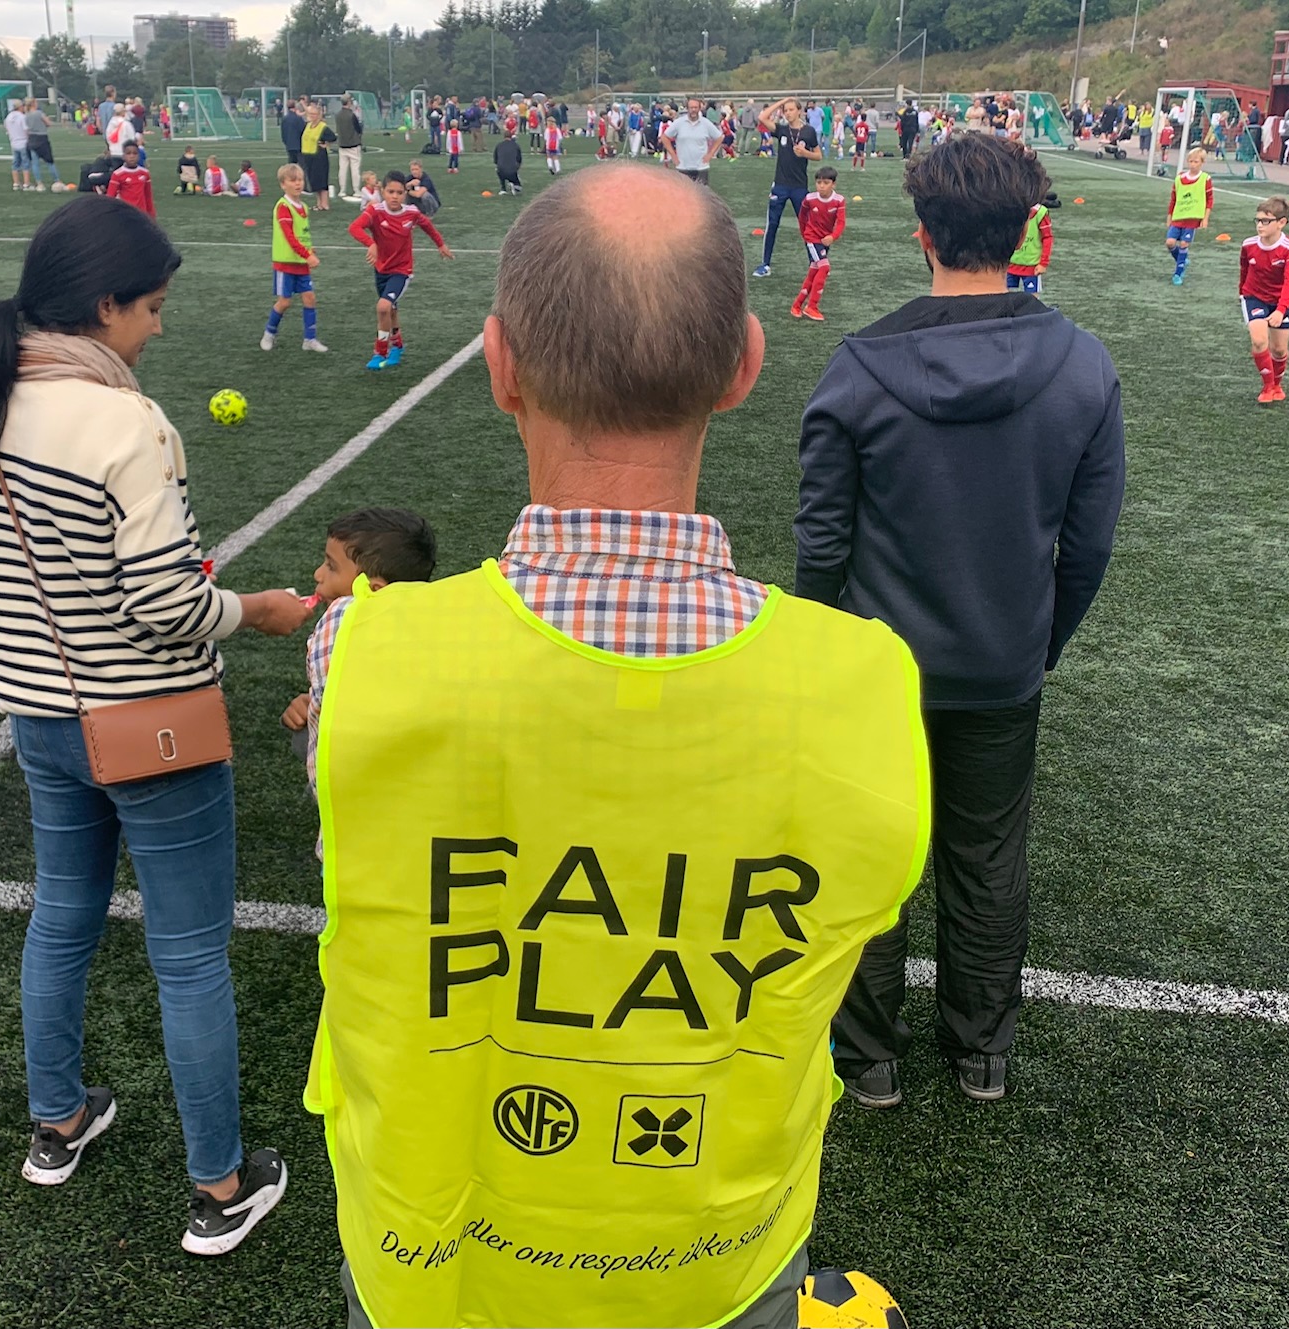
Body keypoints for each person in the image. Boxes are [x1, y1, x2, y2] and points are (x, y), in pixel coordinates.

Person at [307, 161, 928, 1329]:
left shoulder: (357, 649)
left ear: (498, 367)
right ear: (744, 366)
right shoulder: (865, 682)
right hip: (716, 1264)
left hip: (431, 1258)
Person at [0, 195, 308, 1247]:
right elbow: (165, 605)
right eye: (150, 307)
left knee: (62, 917)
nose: (157, 326)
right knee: (189, 956)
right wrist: (258, 612)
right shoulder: (125, 420)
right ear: (101, 306)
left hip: (39, 716)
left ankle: (57, 1123)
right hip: (151, 724)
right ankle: (220, 1188)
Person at [795, 134, 1125, 1109]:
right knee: (986, 857)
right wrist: (1032, 643)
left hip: (869, 676)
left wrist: (822, 655)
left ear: (919, 235)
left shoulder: (856, 368)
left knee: (868, 865)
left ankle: (869, 1063)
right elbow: (1088, 546)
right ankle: (979, 1055)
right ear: (1023, 230)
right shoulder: (1081, 365)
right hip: (998, 670)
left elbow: (820, 546)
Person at [281, 509, 437, 738]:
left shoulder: (344, 647)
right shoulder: (430, 630)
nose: (317, 574)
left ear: (375, 591)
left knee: (303, 740)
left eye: (331, 566)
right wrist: (310, 705)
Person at [348, 171, 454, 371]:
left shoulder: (411, 213)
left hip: (402, 270)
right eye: (390, 192)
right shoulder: (375, 212)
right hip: (381, 269)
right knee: (391, 309)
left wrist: (441, 245)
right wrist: (371, 243)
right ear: (383, 192)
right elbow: (354, 228)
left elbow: (428, 226)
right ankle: (397, 345)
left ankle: (380, 352)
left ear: (405, 193)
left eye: (399, 192)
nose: (394, 196)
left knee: (383, 307)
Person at [262, 163, 327, 354]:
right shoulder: (283, 207)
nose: (298, 183)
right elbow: (289, 237)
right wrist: (307, 255)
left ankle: (310, 339)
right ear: (283, 184)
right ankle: (269, 333)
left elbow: (302, 234)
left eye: (300, 179)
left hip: (301, 262)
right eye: (293, 180)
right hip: (286, 263)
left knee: (310, 298)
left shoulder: (304, 207)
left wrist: (310, 250)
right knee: (285, 302)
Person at [753, 99, 822, 276]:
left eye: (791, 109)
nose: (788, 113)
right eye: (785, 110)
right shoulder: (782, 129)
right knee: (772, 224)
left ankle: (814, 262)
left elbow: (818, 155)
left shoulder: (808, 131)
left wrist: (805, 153)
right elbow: (762, 117)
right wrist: (782, 101)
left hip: (799, 186)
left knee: (806, 226)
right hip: (780, 186)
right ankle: (765, 264)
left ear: (799, 111)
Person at [1241, 197, 1289, 403]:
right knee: (1258, 340)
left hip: (1280, 301)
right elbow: (1244, 269)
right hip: (1254, 297)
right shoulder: (1248, 245)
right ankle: (1266, 387)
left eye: (1265, 221)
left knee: (1279, 349)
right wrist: (1242, 293)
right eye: (1257, 220)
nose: (1259, 225)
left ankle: (1276, 385)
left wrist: (1281, 310)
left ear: (1281, 223)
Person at [792, 166, 845, 321]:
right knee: (824, 267)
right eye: (819, 182)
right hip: (812, 239)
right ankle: (812, 306)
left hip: (825, 241)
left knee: (814, 271)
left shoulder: (839, 201)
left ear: (833, 184)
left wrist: (833, 237)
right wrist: (805, 235)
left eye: (826, 182)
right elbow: (802, 217)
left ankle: (797, 305)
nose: (821, 186)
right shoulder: (809, 199)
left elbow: (841, 222)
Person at [1165, 146, 1213, 285]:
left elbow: (1210, 199)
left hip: (1192, 218)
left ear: (1202, 163)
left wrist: (1205, 218)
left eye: (1196, 162)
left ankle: (1178, 273)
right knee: (1170, 243)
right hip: (1178, 217)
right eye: (1191, 161)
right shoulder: (1179, 178)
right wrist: (1170, 215)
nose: (1193, 164)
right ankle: (1182, 259)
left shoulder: (1205, 179)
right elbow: (1173, 198)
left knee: (1185, 243)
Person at [661, 98, 723, 186]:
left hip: (701, 167)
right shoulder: (679, 123)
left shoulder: (706, 123)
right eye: (691, 107)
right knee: (684, 196)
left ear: (699, 108)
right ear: (687, 108)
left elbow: (719, 137)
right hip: (683, 166)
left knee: (701, 196)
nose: (693, 110)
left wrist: (711, 154)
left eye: (696, 107)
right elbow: (664, 137)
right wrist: (673, 155)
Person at [1006, 196, 1053, 294]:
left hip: (1032, 266)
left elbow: (1048, 238)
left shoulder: (1040, 213)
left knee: (1032, 299)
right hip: (1009, 264)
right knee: (1005, 295)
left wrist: (1043, 263)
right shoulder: (1010, 208)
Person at [104, 141, 154, 217]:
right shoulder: (117, 174)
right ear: (123, 156)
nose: (132, 156)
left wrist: (151, 213)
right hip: (125, 213)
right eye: (128, 153)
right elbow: (110, 196)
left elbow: (148, 196)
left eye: (135, 153)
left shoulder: (145, 173)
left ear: (139, 156)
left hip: (141, 213)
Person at [301, 104, 336, 209]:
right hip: (308, 156)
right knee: (314, 181)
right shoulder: (308, 125)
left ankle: (325, 204)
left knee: (321, 180)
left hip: (319, 156)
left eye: (314, 114)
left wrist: (326, 144)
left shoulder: (322, 127)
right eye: (310, 113)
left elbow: (333, 137)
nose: (312, 116)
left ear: (318, 115)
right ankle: (319, 204)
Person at [336, 93, 364, 203]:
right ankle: (356, 190)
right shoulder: (351, 115)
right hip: (353, 144)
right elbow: (358, 128)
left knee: (342, 168)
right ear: (349, 102)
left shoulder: (337, 115)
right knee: (355, 168)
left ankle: (342, 189)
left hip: (342, 144)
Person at [4, 100, 32, 190]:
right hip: (23, 141)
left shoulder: (8, 117)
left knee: (15, 163)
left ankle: (16, 183)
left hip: (13, 142)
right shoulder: (22, 117)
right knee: (25, 163)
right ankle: (26, 183)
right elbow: (25, 129)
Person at [493, 128, 524, 194]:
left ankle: (503, 188)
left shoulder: (499, 145)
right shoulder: (516, 145)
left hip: (501, 171)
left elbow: (495, 160)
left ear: (504, 137)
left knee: (498, 168)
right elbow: (519, 159)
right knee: (518, 188)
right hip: (512, 171)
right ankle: (514, 183)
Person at [282, 100, 306, 165]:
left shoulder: (285, 119)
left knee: (291, 165)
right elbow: (303, 130)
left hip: (289, 145)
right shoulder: (298, 118)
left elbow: (283, 133)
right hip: (299, 145)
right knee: (302, 165)